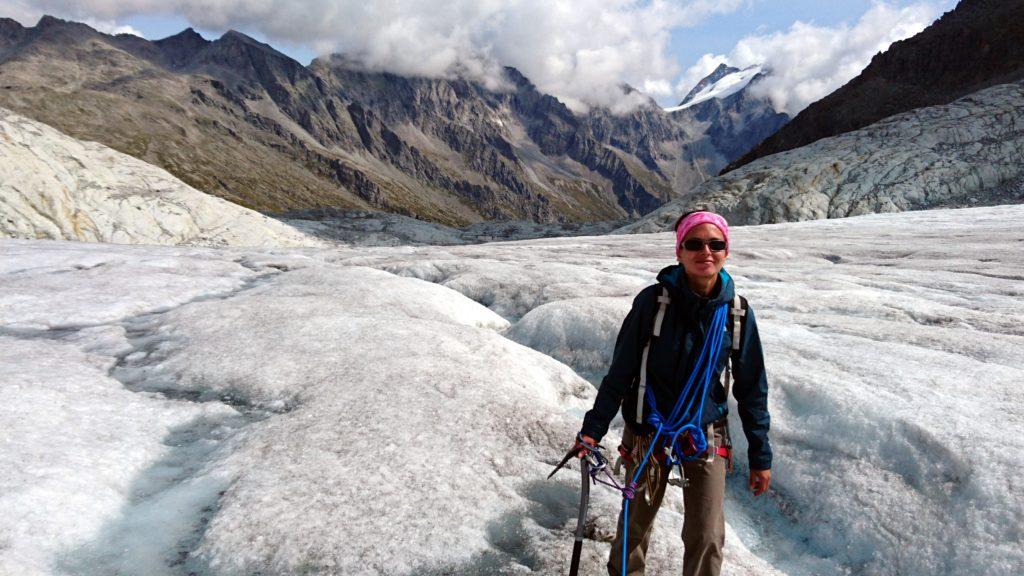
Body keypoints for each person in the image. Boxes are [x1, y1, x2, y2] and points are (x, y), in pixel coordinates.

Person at [576, 209, 772, 576]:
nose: (706, 252)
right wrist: (593, 429)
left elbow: (752, 389)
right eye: (694, 244)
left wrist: (761, 456)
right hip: (649, 431)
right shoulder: (654, 303)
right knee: (635, 527)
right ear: (679, 251)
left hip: (704, 433)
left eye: (716, 244)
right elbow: (621, 372)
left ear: (727, 251)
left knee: (708, 534)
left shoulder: (737, 313)